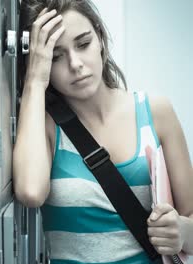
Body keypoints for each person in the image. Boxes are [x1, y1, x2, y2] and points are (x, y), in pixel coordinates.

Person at [12, 0, 193, 263]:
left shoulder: (155, 112)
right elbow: (30, 192)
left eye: (83, 44)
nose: (75, 64)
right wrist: (34, 81)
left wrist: (181, 231)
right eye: (56, 56)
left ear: (101, 41)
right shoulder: (45, 126)